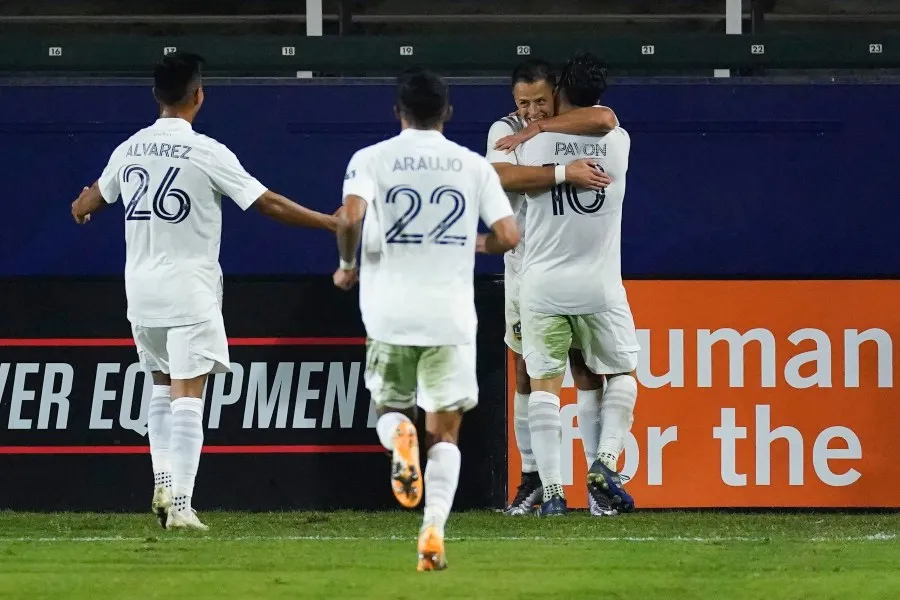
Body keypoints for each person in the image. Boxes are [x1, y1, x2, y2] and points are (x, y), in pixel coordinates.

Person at [70, 52, 337, 531]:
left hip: (141, 295)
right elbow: (267, 203)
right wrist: (328, 222)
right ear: (199, 95)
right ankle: (181, 505)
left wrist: (82, 205)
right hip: (188, 292)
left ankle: (163, 479)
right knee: (188, 394)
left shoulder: (130, 148)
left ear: (157, 96)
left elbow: (91, 200)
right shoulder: (205, 151)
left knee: (159, 386)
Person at [333, 67, 518, 571]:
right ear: (447, 113)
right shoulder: (472, 165)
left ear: (399, 112)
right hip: (450, 319)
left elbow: (349, 217)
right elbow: (509, 233)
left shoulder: (371, 158)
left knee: (389, 409)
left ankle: (398, 437)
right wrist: (477, 243)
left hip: (389, 314)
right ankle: (432, 529)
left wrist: (347, 266)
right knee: (446, 434)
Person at [484, 58, 620, 517]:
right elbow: (499, 178)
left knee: (586, 369)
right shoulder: (503, 130)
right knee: (527, 373)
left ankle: (597, 487)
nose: (532, 111)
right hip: (526, 269)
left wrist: (541, 132)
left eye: (541, 100)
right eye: (523, 103)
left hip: (567, 264)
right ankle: (534, 481)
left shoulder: (574, 127)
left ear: (556, 93)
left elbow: (604, 117)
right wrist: (563, 172)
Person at [512, 52, 639, 516]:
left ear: (559, 91)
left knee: (543, 386)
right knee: (621, 375)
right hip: (599, 286)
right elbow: (605, 120)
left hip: (542, 284)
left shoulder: (532, 147)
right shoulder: (619, 143)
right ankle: (605, 463)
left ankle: (551, 494)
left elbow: (506, 176)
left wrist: (538, 131)